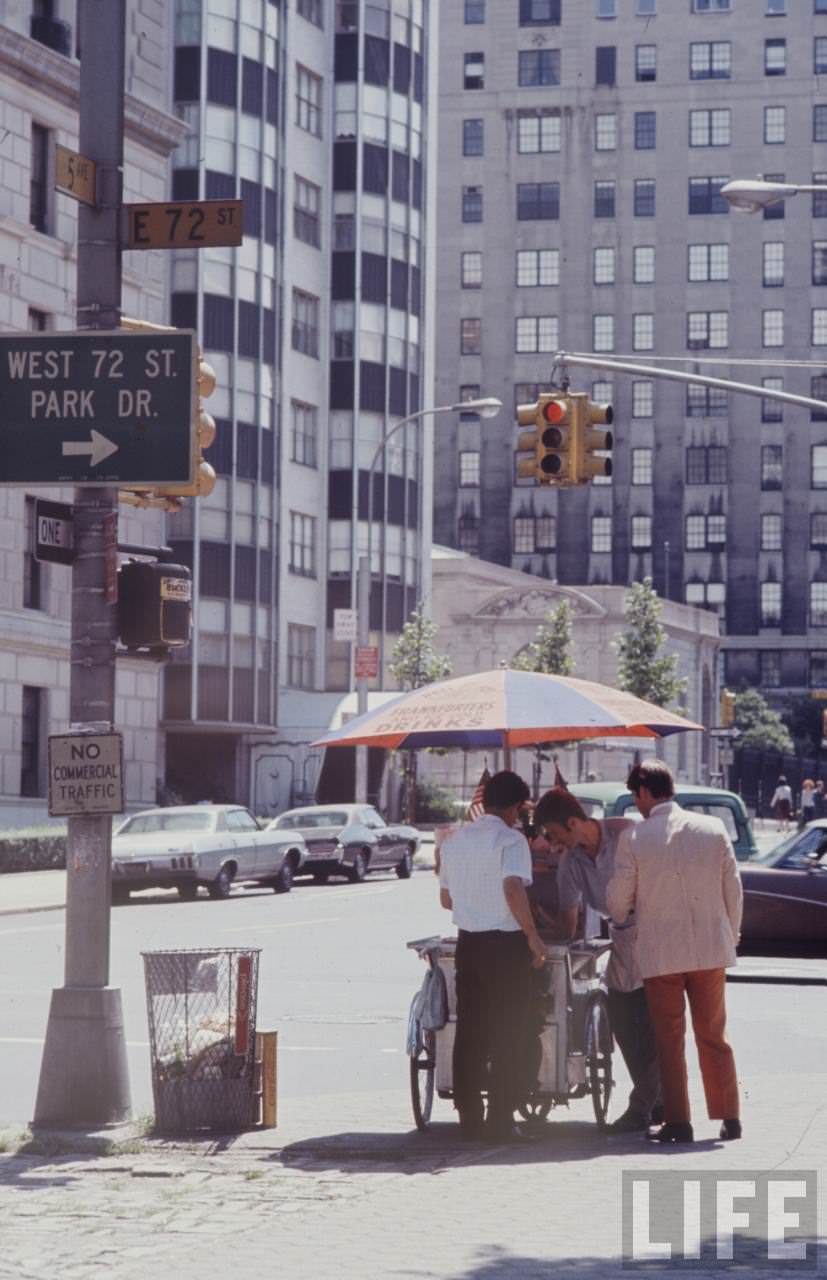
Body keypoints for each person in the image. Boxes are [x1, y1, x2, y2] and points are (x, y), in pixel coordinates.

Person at [607, 759, 743, 1145]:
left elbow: (619, 902)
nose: (637, 803)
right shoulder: (713, 828)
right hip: (710, 950)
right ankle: (730, 1116)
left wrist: (620, 912)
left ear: (645, 792)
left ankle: (679, 1121)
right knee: (714, 1034)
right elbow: (733, 889)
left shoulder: (634, 838)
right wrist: (729, 935)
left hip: (662, 954)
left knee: (669, 1038)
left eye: (636, 796)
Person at [533, 787, 662, 1135]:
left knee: (656, 1020)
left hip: (657, 929)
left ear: (575, 822)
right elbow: (568, 922)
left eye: (558, 834)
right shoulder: (571, 863)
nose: (555, 844)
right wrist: (541, 923)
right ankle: (653, 1098)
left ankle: (643, 1105)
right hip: (622, 934)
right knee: (619, 1013)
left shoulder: (627, 834)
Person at [438, 770, 546, 1142]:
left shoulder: (454, 841)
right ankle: (500, 1118)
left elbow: (446, 899)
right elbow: (513, 887)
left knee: (471, 1031)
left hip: (469, 944)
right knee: (508, 1033)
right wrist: (533, 937)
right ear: (515, 807)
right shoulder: (511, 840)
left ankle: (469, 1116)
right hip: (506, 946)